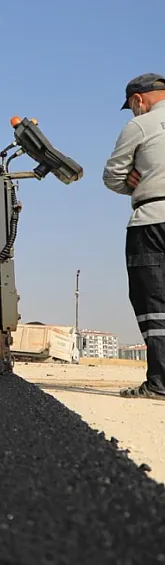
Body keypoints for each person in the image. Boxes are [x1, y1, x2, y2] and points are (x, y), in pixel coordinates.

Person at [102, 73, 165, 399]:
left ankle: (160, 383)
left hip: (152, 220)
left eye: (132, 107)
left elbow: (112, 176)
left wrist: (131, 181)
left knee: (153, 302)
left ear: (139, 100)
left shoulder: (139, 126)